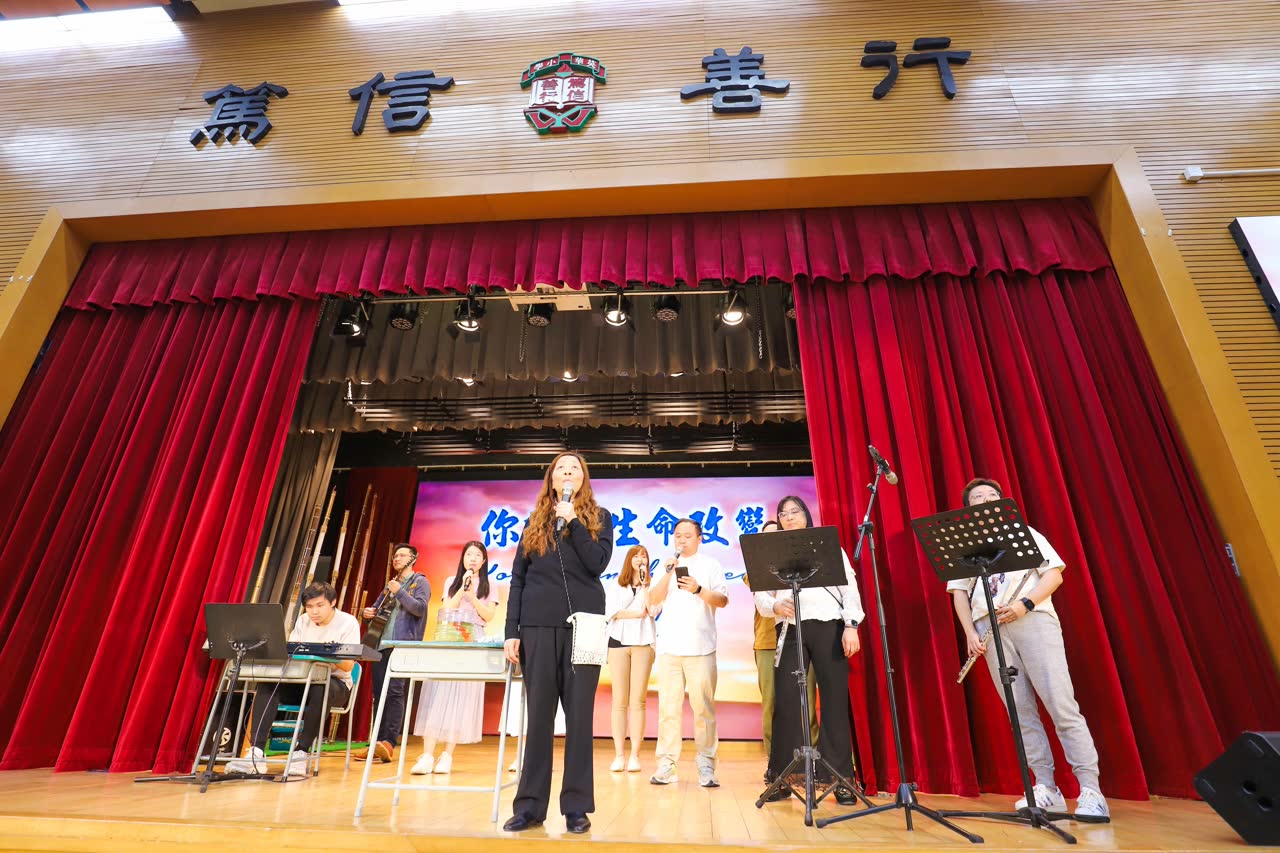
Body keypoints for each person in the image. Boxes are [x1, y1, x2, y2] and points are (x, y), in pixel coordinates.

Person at [947, 478, 1109, 818]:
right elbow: (959, 593)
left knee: (1060, 704)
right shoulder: (966, 545)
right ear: (969, 508)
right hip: (989, 629)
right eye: (978, 497)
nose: (986, 499)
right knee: (1019, 711)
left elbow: (1054, 575)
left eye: (993, 495)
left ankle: (1091, 789)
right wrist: (970, 633)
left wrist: (1026, 604)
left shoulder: (1024, 533)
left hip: (1032, 619)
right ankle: (1045, 787)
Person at [502, 452, 614, 835]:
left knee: (580, 719)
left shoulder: (600, 519)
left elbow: (597, 563)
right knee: (539, 720)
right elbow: (518, 579)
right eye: (561, 469)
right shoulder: (533, 522)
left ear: (584, 478)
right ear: (551, 479)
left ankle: (576, 807)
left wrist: (574, 522)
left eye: (575, 468)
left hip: (585, 627)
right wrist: (512, 630)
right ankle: (530, 807)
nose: (568, 472)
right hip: (537, 627)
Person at [753, 496, 864, 804]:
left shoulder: (828, 546)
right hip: (789, 628)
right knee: (786, 702)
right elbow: (760, 595)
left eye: (795, 511)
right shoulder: (770, 552)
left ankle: (840, 778)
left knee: (834, 700)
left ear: (806, 515)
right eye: (783, 514)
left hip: (829, 625)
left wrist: (851, 625)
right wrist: (775, 605)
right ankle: (783, 778)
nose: (789, 517)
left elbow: (849, 587)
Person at [225, 582, 359, 776]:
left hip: (336, 685)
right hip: (302, 680)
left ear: (333, 603)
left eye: (320, 605)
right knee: (268, 684)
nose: (314, 612)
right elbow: (294, 655)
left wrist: (322, 653)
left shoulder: (348, 622)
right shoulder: (303, 620)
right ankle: (257, 752)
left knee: (320, 688)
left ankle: (301, 752)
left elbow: (348, 666)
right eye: (309, 606)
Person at [648, 518, 729, 788]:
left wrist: (698, 589)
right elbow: (653, 600)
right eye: (677, 536)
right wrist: (668, 573)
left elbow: (723, 600)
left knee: (703, 710)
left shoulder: (710, 565)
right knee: (668, 710)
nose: (681, 540)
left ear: (699, 538)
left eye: (687, 536)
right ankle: (666, 765)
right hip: (669, 649)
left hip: (701, 648)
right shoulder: (666, 565)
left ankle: (706, 765)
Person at [411, 540, 498, 775]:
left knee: (462, 696)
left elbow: (488, 616)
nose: (473, 558)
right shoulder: (452, 581)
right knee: (437, 693)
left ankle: (447, 755)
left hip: (473, 638)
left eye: (477, 555)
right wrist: (462, 588)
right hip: (449, 635)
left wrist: (473, 596)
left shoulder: (490, 585)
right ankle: (427, 755)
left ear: (483, 561)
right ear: (463, 559)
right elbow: (447, 608)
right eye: (469, 554)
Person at [743, 518, 817, 779]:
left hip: (801, 638)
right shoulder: (758, 567)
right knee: (772, 704)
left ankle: (811, 764)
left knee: (806, 701)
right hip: (767, 643)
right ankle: (775, 764)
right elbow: (755, 586)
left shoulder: (801, 565)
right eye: (767, 536)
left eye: (778, 534)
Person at [354, 543, 431, 764]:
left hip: (402, 644)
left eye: (402, 555)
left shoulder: (419, 581)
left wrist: (400, 592)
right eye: (395, 556)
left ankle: (389, 742)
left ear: (413, 559)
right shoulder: (390, 585)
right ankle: (376, 743)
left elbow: (419, 609)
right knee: (379, 694)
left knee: (395, 692)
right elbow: (376, 611)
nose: (396, 558)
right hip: (381, 644)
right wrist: (367, 613)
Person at [605, 544, 656, 773]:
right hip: (617, 642)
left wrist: (645, 586)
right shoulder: (616, 584)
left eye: (644, 556)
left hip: (643, 643)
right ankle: (618, 755)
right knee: (619, 701)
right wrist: (636, 614)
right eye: (636, 556)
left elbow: (653, 610)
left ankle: (635, 755)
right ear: (629, 560)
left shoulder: (652, 586)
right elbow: (612, 612)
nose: (640, 559)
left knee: (638, 701)